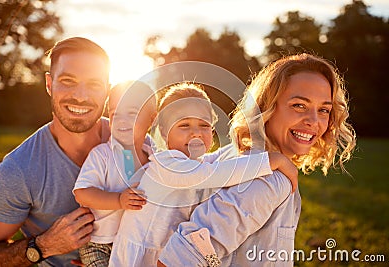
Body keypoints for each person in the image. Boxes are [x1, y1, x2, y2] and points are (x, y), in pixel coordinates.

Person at [157, 53, 357, 266]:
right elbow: (180, 258)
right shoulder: (268, 180)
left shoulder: (233, 157)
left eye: (324, 110)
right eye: (299, 105)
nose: (314, 121)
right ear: (267, 106)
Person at [108, 82, 298, 267]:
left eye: (204, 125)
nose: (196, 133)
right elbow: (215, 173)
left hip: (161, 250)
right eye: (184, 125)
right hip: (137, 256)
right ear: (164, 132)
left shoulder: (193, 164)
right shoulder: (168, 164)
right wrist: (270, 161)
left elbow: (218, 159)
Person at [0, 37, 111, 266]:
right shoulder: (19, 170)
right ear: (49, 84)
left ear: (108, 90)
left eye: (94, 84)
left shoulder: (135, 145)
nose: (81, 96)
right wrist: (43, 246)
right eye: (68, 80)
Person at [73, 81, 156, 266]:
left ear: (152, 119)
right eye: (114, 114)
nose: (121, 121)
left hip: (135, 243)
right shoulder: (103, 155)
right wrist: (118, 200)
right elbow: (82, 193)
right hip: (100, 243)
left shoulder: (155, 158)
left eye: (132, 114)